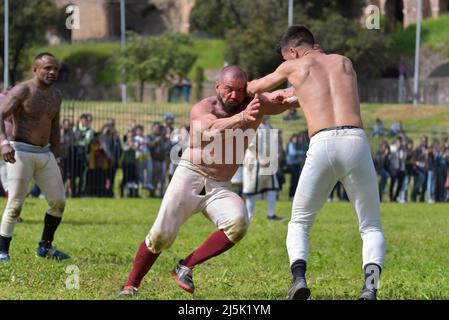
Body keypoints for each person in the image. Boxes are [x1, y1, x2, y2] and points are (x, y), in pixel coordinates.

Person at [117, 65, 298, 298]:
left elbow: (287, 99)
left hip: (220, 185)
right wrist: (242, 117)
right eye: (229, 89)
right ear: (217, 87)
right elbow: (209, 130)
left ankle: (185, 266)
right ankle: (130, 285)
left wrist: (303, 88)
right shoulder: (203, 107)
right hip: (190, 175)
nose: (234, 95)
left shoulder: (254, 103)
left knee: (238, 223)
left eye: (240, 90)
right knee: (161, 235)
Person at [247, 25, 386, 300]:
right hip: (356, 141)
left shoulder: (292, 67)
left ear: (293, 52)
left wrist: (266, 94)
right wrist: (292, 96)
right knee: (371, 225)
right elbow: (327, 93)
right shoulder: (344, 62)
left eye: (287, 58)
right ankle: (370, 288)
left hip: (322, 143)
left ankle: (298, 280)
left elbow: (254, 87)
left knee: (299, 222)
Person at [0, 52, 70, 262]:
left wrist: (56, 157)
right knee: (16, 204)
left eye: (55, 69)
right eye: (47, 68)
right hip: (20, 151)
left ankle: (45, 247)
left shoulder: (56, 95)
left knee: (58, 202)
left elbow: (55, 127)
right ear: (35, 69)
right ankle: (2, 250)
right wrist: (4, 143)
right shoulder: (23, 90)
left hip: (45, 153)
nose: (52, 72)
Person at [242, 116, 282, 220]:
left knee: (272, 187)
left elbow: (273, 143)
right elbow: (251, 145)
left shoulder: (269, 126)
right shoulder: (254, 126)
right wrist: (259, 159)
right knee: (252, 189)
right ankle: (249, 216)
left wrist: (275, 154)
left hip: (268, 163)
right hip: (254, 163)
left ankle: (271, 214)